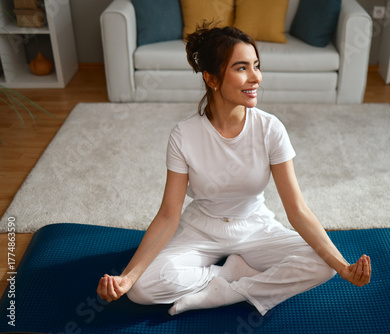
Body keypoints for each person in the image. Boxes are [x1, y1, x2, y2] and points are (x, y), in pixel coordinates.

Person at [97, 23, 371, 316]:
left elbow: (297, 210)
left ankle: (222, 293)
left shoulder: (270, 129)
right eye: (242, 68)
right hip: (202, 226)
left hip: (254, 225)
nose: (256, 77)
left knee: (322, 266)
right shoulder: (184, 135)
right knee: (142, 289)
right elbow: (168, 215)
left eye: (256, 66)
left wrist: (342, 266)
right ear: (212, 79)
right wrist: (127, 277)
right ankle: (230, 274)